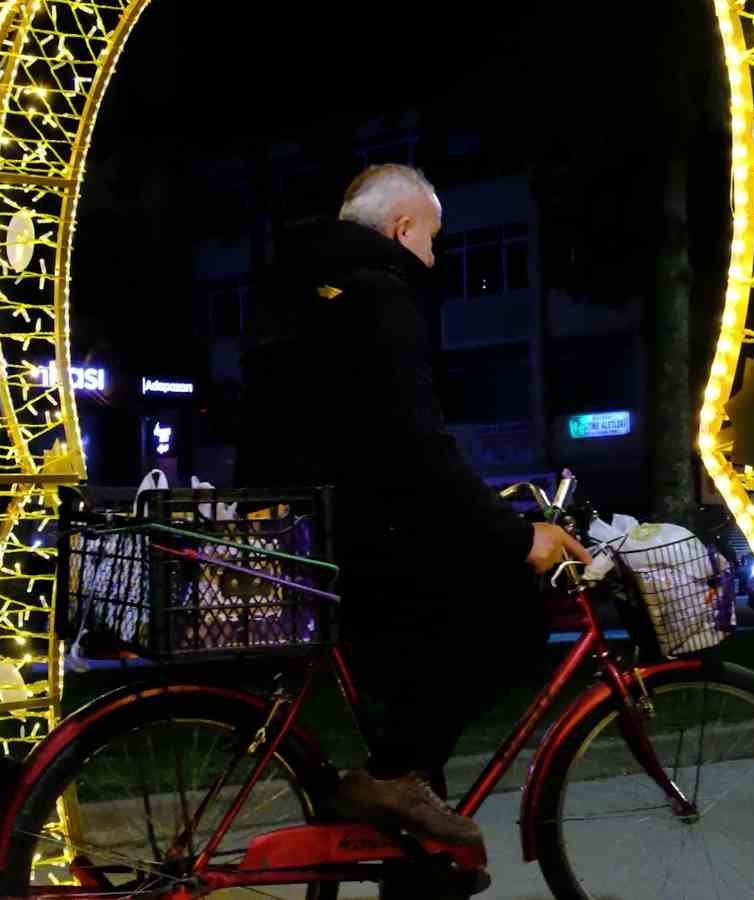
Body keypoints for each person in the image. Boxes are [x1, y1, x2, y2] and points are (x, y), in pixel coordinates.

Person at [237, 164, 589, 876]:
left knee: (421, 755)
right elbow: (416, 444)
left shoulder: (298, 289)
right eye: (432, 239)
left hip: (315, 537)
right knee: (515, 617)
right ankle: (395, 779)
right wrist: (518, 536)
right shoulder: (379, 293)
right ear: (402, 229)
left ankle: (414, 822)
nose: (432, 256)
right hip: (371, 546)